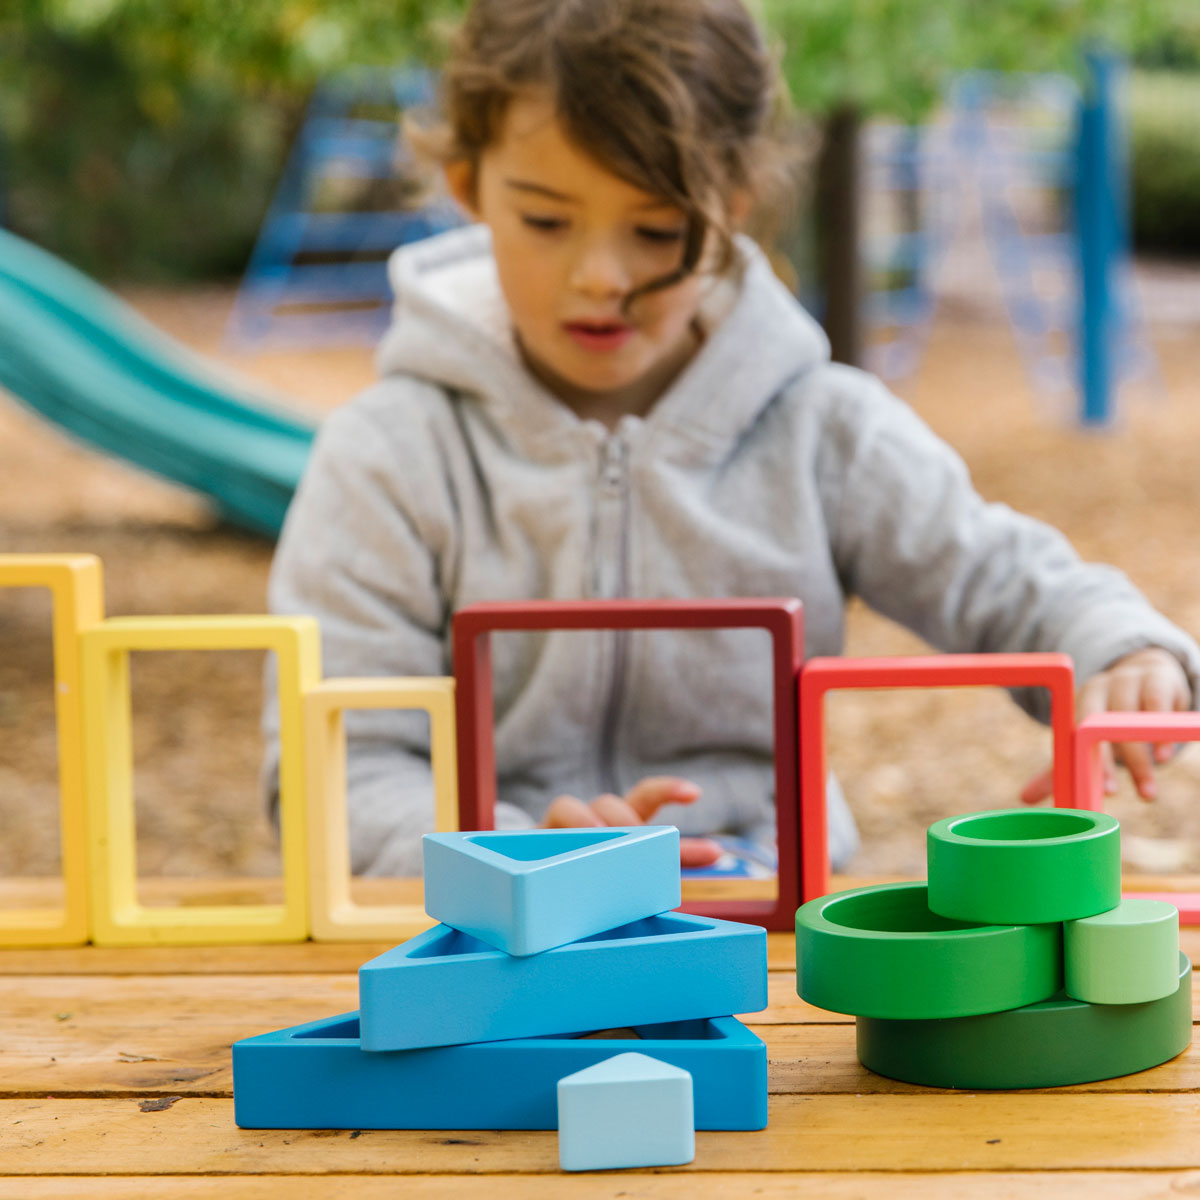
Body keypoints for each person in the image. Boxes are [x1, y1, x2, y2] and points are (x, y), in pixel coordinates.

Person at [262, 0, 1200, 877]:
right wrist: (519, 864)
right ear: (468, 185)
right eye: (547, 220)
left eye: (658, 228)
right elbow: (331, 773)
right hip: (484, 941)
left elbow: (1001, 576)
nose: (599, 275)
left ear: (737, 197)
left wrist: (1119, 652)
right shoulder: (388, 457)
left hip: (768, 921)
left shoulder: (819, 428)